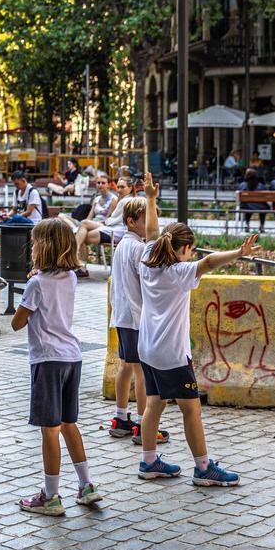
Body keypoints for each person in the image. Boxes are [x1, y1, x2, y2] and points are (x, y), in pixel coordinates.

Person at [136, 224, 261, 487]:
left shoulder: (147, 260)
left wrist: (149, 198)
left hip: (146, 348)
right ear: (183, 249)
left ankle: (148, 462)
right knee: (191, 408)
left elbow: (150, 229)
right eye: (189, 249)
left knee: (154, 403)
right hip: (171, 354)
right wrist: (239, 252)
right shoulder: (178, 272)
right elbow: (209, 262)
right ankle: (203, 468)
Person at [14, 218, 102, 515]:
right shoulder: (71, 277)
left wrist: (30, 288)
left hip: (47, 359)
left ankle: (51, 495)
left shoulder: (35, 284)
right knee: (68, 423)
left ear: (44, 247)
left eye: (35, 242)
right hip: (71, 357)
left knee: (49, 430)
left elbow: (17, 322)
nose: (33, 246)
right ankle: (86, 484)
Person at [107, 177, 170, 448]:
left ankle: (121, 417)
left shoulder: (122, 245)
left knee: (125, 366)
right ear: (132, 221)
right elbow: (149, 275)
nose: (152, 223)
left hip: (122, 315)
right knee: (143, 372)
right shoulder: (136, 247)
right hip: (135, 315)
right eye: (148, 218)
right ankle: (145, 424)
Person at [72, 173, 124, 274]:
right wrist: (86, 226)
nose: (100, 185)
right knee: (82, 234)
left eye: (103, 183)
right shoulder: (96, 199)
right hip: (93, 224)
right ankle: (82, 268)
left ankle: (74, 251)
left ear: (108, 185)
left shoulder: (114, 199)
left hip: (105, 225)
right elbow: (90, 216)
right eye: (98, 183)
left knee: (83, 225)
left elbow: (109, 219)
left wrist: (88, 224)